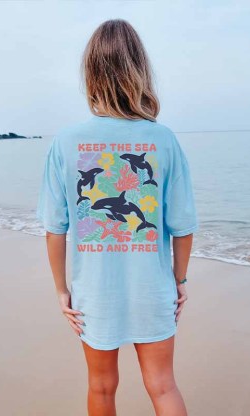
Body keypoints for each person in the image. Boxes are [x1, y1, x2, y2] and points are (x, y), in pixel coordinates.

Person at [36, 18, 199, 416]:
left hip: (93, 293)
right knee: (163, 386)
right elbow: (183, 227)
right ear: (140, 70)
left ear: (90, 73)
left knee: (101, 387)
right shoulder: (163, 139)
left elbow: (54, 229)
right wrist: (178, 281)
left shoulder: (66, 141)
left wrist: (62, 290)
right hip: (152, 290)